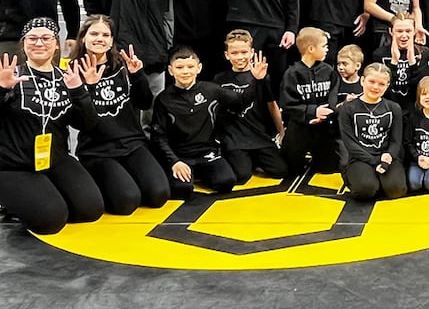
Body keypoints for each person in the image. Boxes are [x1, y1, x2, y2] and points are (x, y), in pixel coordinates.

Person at [0, 18, 104, 235]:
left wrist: (80, 91)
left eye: (46, 38)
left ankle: (40, 193)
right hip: (14, 164)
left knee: (90, 209)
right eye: (33, 38)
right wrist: (2, 89)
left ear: (56, 44)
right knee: (51, 221)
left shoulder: (66, 78)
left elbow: (88, 125)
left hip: (54, 158)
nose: (39, 43)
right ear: (24, 43)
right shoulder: (10, 75)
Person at [69, 15, 170, 215]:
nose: (100, 38)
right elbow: (80, 123)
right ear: (83, 38)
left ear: (112, 41)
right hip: (97, 151)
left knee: (159, 194)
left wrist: (138, 75)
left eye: (106, 35)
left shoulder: (123, 66)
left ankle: (123, 179)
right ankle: (97, 183)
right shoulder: (73, 72)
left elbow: (144, 102)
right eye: (94, 33)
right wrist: (88, 88)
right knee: (126, 201)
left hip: (132, 144)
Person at [150, 46, 259, 199]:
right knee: (182, 190)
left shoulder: (211, 90)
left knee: (226, 182)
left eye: (190, 67)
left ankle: (200, 172)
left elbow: (241, 102)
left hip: (207, 153)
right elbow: (158, 136)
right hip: (181, 156)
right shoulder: (163, 99)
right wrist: (174, 161)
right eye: (179, 67)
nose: (185, 71)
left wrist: (256, 79)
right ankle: (187, 173)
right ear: (170, 70)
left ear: (199, 68)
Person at [213, 30, 287, 184]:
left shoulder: (262, 77)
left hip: (258, 135)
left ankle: (255, 158)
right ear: (227, 55)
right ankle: (243, 159)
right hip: (235, 138)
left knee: (281, 171)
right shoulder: (219, 79)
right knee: (241, 176)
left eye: (244, 52)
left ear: (252, 52)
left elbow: (272, 104)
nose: (240, 57)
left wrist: (281, 130)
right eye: (234, 53)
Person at [338, 63, 406, 200]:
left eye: (381, 84)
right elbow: (350, 144)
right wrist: (375, 161)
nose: (375, 87)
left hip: (386, 157)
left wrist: (387, 158)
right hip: (360, 158)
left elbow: (396, 140)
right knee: (366, 190)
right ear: (362, 81)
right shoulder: (348, 109)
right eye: (371, 81)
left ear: (387, 86)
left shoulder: (394, 108)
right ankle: (351, 175)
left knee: (396, 191)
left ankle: (379, 179)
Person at [279, 27, 339, 175]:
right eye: (324, 46)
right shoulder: (292, 73)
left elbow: (333, 97)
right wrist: (312, 112)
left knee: (329, 168)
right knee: (291, 171)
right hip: (299, 128)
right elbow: (287, 104)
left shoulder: (328, 71)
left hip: (322, 127)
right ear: (311, 49)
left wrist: (326, 113)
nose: (327, 49)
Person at [373, 13, 429, 117]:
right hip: (388, 108)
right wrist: (393, 63)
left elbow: (421, 89)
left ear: (414, 31)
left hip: (414, 110)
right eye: (399, 31)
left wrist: (412, 63)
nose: (404, 35)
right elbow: (383, 90)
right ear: (391, 31)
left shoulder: (424, 53)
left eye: (408, 31)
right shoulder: (379, 54)